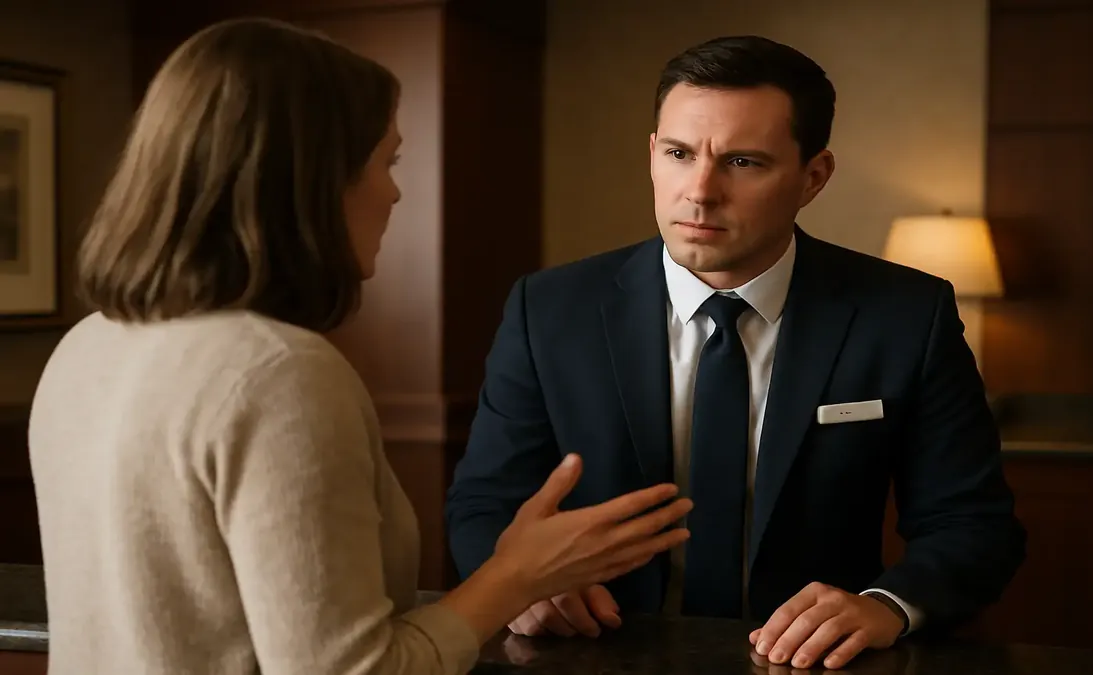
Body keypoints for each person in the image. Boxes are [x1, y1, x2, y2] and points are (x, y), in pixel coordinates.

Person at [27, 18, 693, 675]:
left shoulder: (86, 345)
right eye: (387, 160)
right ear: (312, 179)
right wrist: (515, 575)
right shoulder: (278, 373)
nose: (395, 190)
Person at [445, 34, 1026, 670]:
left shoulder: (906, 316)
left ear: (814, 177)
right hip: (592, 653)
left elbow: (974, 525)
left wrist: (887, 605)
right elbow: (484, 505)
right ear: (652, 155)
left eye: (743, 162)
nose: (700, 190)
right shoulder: (548, 309)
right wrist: (520, 587)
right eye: (679, 153)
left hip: (810, 665)